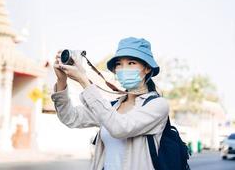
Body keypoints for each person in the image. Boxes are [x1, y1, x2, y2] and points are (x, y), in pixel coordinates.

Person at [51, 37, 169, 170]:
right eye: (119, 64)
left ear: (147, 68)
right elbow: (70, 117)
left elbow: (120, 127)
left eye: (131, 63)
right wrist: (62, 81)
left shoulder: (158, 105)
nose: (124, 68)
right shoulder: (112, 107)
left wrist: (84, 81)